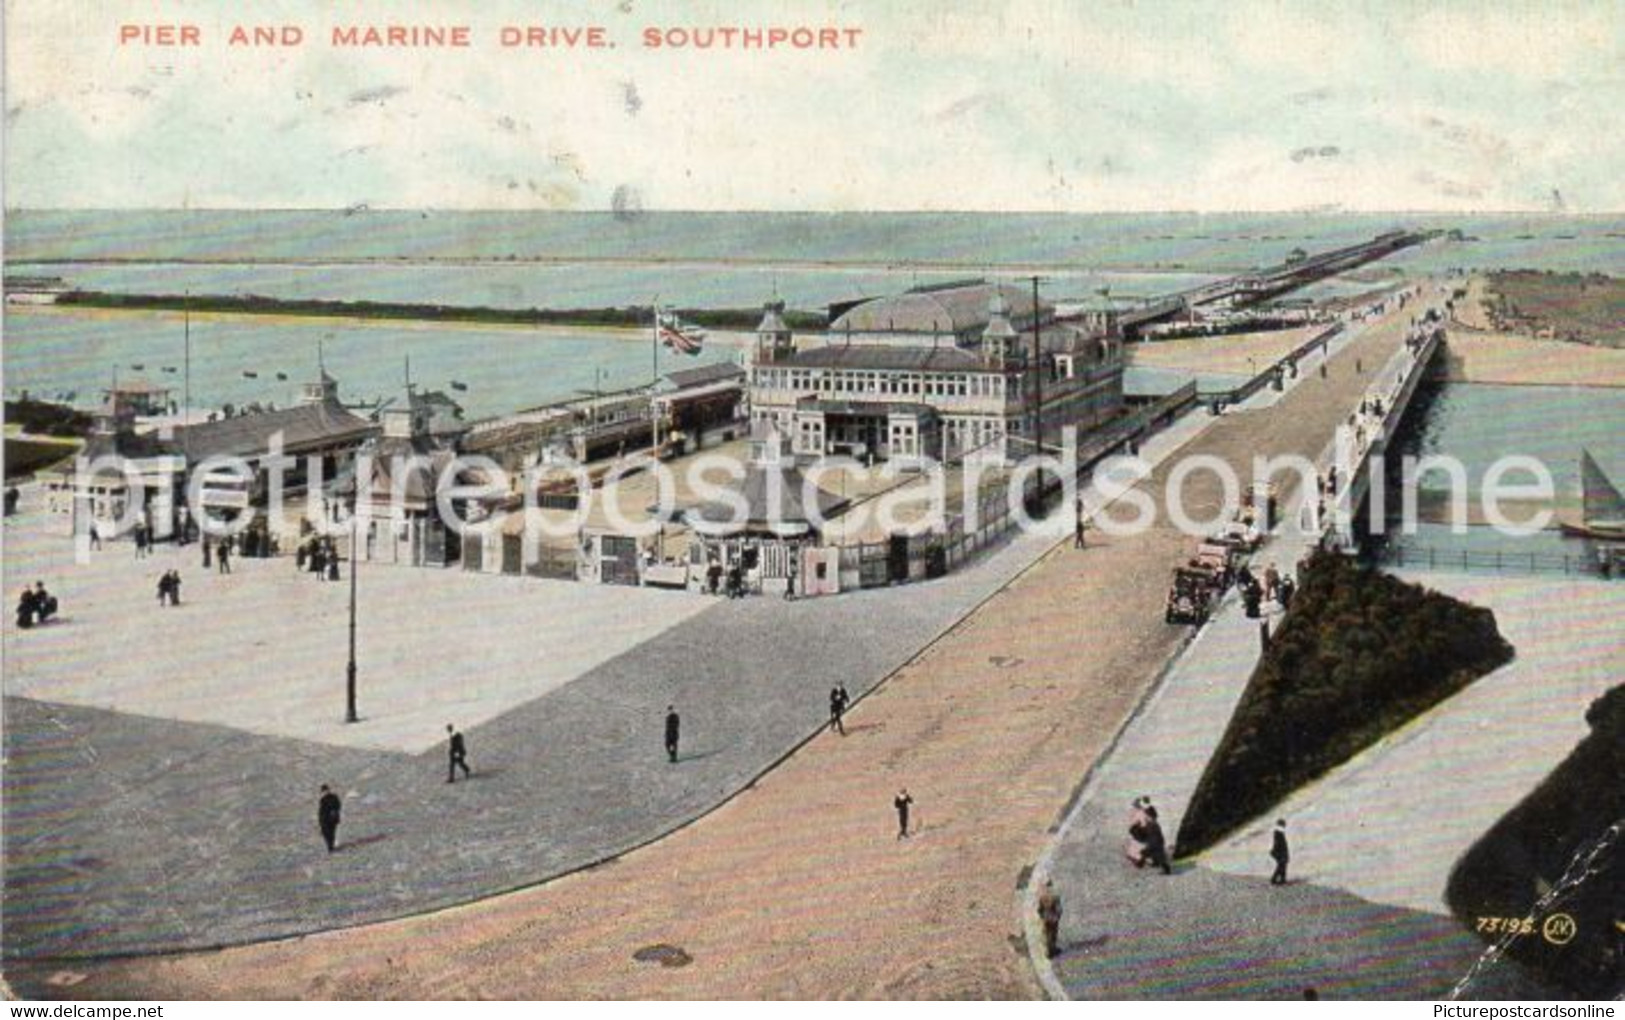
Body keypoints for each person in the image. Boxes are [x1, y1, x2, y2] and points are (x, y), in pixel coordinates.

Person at [1143, 803, 1172, 875]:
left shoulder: (1154, 824)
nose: (1146, 817)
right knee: (1152, 854)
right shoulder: (1150, 823)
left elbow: (1157, 835)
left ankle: (1167, 870)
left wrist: (1155, 843)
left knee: (1160, 857)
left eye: (1147, 816)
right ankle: (1155, 862)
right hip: (1153, 841)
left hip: (1156, 843)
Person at [1037, 881, 1063, 959]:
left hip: (1045, 918)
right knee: (1053, 934)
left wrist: (1042, 916)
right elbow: (1059, 909)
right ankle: (1052, 950)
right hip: (1053, 918)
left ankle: (1048, 951)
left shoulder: (1042, 897)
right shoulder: (1055, 896)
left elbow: (1039, 909)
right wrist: (1058, 916)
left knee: (1047, 934)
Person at [318, 785, 342, 853]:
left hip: (332, 819)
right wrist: (320, 820)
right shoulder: (322, 800)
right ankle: (330, 846)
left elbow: (338, 806)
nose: (325, 792)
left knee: (331, 833)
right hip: (324, 819)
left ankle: (331, 847)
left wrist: (334, 812)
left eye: (326, 790)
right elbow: (321, 811)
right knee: (326, 833)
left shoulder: (334, 797)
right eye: (323, 791)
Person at [1270, 819, 1290, 885]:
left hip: (1280, 852)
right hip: (1280, 852)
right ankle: (1274, 879)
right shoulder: (1278, 833)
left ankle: (1282, 879)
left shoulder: (1279, 833)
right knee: (1281, 865)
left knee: (1282, 865)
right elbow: (1278, 844)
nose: (1285, 826)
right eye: (1284, 825)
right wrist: (1279, 853)